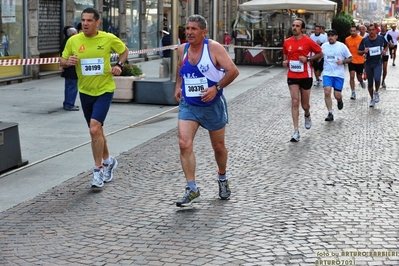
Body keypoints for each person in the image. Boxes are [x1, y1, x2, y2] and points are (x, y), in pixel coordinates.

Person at [173, 14, 239, 207]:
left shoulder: (214, 48)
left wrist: (216, 88)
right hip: (189, 105)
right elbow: (180, 67)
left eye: (194, 29)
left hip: (213, 105)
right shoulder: (182, 48)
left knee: (218, 147)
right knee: (184, 143)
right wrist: (178, 86)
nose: (189, 32)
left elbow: (233, 71)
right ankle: (192, 189)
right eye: (188, 28)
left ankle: (222, 177)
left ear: (204, 32)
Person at [60, 7, 128, 188]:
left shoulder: (107, 38)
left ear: (98, 22)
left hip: (105, 90)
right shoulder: (74, 40)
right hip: (85, 91)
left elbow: (124, 51)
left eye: (89, 20)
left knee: (94, 129)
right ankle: (108, 161)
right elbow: (62, 60)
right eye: (83, 20)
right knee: (97, 131)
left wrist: (119, 65)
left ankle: (97, 171)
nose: (85, 23)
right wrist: (68, 62)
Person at [282, 18, 323, 142]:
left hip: (306, 75)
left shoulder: (308, 41)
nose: (294, 28)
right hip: (292, 76)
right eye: (293, 25)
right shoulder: (287, 42)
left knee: (305, 105)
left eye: (297, 26)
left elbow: (320, 54)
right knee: (295, 102)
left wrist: (308, 59)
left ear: (302, 29)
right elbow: (285, 56)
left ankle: (307, 114)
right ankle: (295, 131)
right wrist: (284, 62)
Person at [321, 29, 352, 122]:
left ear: (336, 36)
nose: (330, 37)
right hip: (327, 73)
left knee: (337, 95)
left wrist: (342, 61)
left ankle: (339, 100)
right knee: (327, 92)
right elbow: (319, 55)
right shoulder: (324, 46)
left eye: (332, 35)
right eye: (329, 35)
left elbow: (350, 58)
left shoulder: (342, 46)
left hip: (338, 74)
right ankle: (330, 113)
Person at [358, 23, 388, 107]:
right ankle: (372, 99)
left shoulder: (381, 38)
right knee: (370, 84)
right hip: (368, 64)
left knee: (378, 79)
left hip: (378, 63)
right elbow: (359, 52)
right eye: (369, 30)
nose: (371, 31)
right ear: (368, 31)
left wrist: (384, 51)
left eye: (372, 30)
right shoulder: (365, 40)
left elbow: (386, 45)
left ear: (375, 30)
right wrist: (364, 51)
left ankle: (377, 92)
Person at [60, 26, 79, 111]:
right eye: (76, 33)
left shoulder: (66, 41)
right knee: (72, 86)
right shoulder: (70, 42)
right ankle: (69, 104)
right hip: (71, 68)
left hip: (68, 67)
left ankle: (67, 102)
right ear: (72, 34)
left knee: (69, 86)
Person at [345, 25, 365, 100]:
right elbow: (346, 49)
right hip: (351, 60)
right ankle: (353, 92)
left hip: (360, 60)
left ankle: (361, 81)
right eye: (351, 31)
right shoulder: (347, 39)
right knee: (352, 75)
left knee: (359, 77)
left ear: (357, 31)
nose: (353, 32)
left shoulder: (361, 39)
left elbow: (364, 49)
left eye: (354, 31)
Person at [379, 23, 394, 88]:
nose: (383, 28)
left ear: (386, 27)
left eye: (384, 26)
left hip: (386, 54)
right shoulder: (378, 35)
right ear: (380, 27)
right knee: (378, 68)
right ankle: (377, 80)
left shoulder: (388, 36)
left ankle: (383, 80)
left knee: (384, 68)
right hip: (378, 54)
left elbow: (392, 44)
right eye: (382, 26)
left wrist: (389, 45)